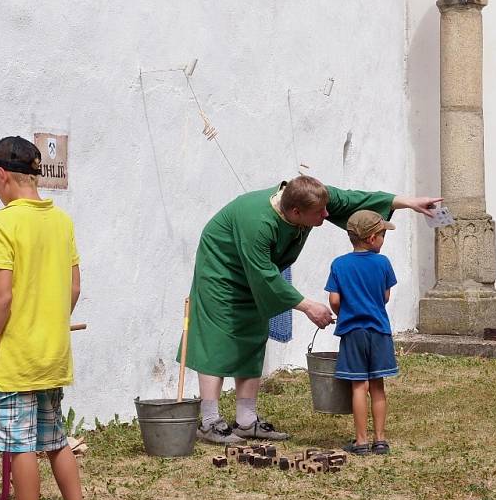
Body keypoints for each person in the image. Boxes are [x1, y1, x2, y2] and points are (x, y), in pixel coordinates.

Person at [180, 176, 440, 444]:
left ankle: (246, 421)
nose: (327, 215)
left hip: (255, 272)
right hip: (222, 270)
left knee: (253, 334)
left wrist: (409, 202)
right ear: (295, 212)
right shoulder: (256, 223)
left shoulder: (312, 197)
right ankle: (210, 422)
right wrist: (307, 307)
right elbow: (264, 275)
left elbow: (353, 201)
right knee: (218, 338)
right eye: (319, 213)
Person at [0, 136, 93, 500]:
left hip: (18, 355)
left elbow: (1, 297)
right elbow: (74, 285)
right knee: (55, 439)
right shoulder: (61, 221)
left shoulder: (2, 222)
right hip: (53, 351)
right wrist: (49, 321)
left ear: (2, 175)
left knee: (19, 444)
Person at [325, 210, 399, 456]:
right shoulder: (383, 263)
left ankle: (361, 442)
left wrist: (345, 309)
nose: (383, 239)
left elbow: (334, 299)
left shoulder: (339, 264)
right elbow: (385, 296)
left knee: (359, 386)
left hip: (352, 331)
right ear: (371, 238)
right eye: (382, 235)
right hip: (378, 330)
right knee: (377, 386)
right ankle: (380, 440)